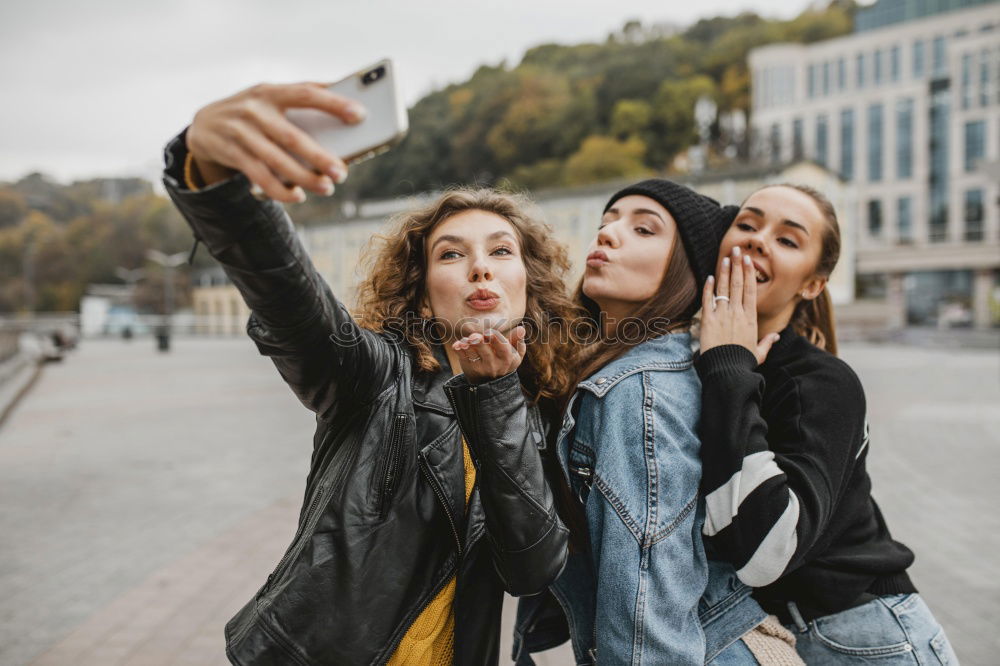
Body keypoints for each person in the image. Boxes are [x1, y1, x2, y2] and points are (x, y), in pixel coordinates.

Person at [161, 81, 578, 665]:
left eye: (501, 251)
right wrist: (213, 179)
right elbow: (293, 304)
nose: (480, 266)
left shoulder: (537, 409)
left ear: (527, 286)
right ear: (425, 299)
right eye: (452, 254)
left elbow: (530, 567)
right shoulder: (377, 376)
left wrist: (497, 396)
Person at [469, 180, 785, 665]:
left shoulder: (638, 391)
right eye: (607, 221)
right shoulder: (613, 370)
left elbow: (647, 620)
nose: (610, 234)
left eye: (643, 229)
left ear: (686, 270)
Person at [698, 183, 959, 664]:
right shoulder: (694, 365)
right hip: (776, 634)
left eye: (788, 240)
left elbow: (764, 552)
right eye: (748, 224)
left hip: (868, 635)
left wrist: (729, 367)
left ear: (812, 284)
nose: (759, 240)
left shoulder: (820, 383)